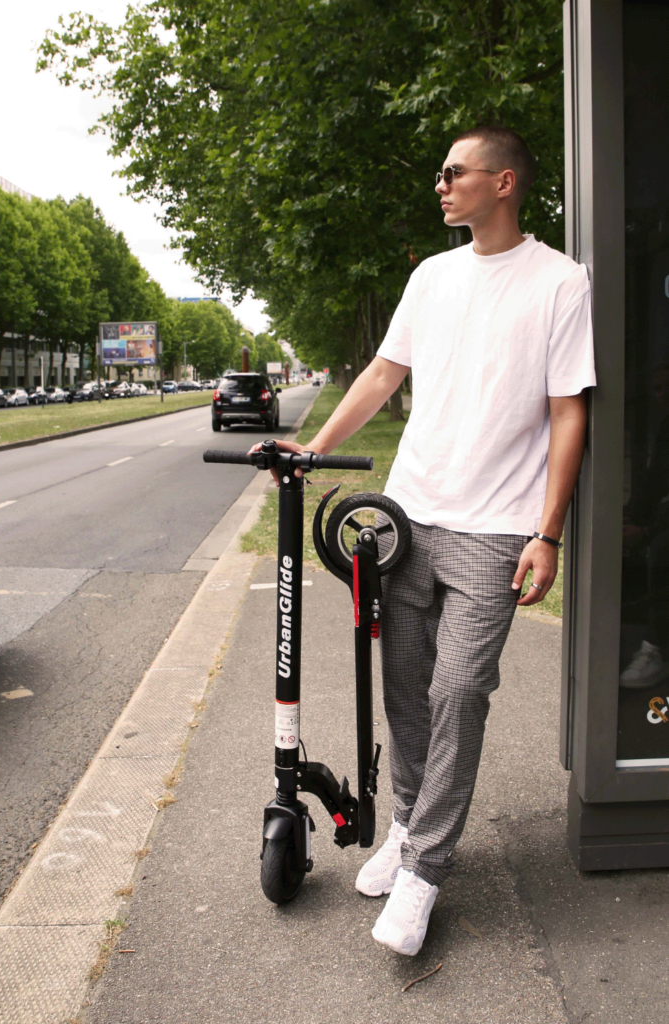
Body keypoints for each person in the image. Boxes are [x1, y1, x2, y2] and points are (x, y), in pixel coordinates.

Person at [251, 125, 595, 956]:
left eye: (453, 173)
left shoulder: (558, 281)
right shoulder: (430, 275)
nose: (440, 185)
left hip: (495, 527)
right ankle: (407, 827)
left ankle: (425, 870)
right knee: (405, 691)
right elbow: (381, 373)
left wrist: (547, 534)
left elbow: (567, 410)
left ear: (503, 182)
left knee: (459, 692)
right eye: (440, 173)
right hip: (408, 517)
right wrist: (315, 447)